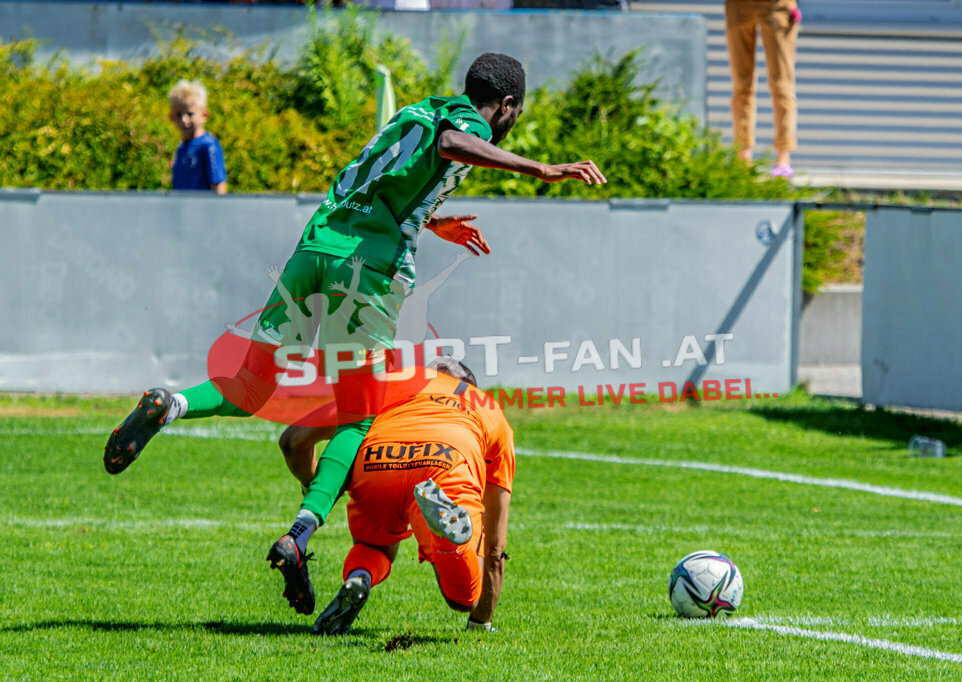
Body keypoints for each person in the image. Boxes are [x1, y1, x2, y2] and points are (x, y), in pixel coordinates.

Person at [103, 53, 605, 612]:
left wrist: (434, 219)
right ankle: (299, 533)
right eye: (510, 115)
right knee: (357, 414)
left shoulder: (419, 110)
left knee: (248, 388)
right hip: (366, 267)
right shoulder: (468, 124)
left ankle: (169, 403)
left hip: (318, 245)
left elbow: (392, 178)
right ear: (507, 106)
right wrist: (544, 169)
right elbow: (454, 146)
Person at [311, 357, 515, 635]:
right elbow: (495, 544)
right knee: (462, 598)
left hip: (378, 461)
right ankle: (445, 537)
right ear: (469, 386)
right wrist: (482, 620)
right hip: (445, 462)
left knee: (375, 547)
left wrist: (315, 492)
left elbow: (295, 439)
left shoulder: (394, 385)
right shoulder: (488, 408)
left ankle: (360, 577)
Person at [724, 0, 801, 179]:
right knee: (741, 84)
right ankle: (743, 156)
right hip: (738, 5)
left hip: (776, 5)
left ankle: (783, 159)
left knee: (781, 84)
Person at [168, 80, 228, 194]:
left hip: (202, 209)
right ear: (172, 117)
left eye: (190, 114)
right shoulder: (181, 148)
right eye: (179, 115)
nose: (184, 120)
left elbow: (219, 185)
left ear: (204, 115)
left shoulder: (208, 145)